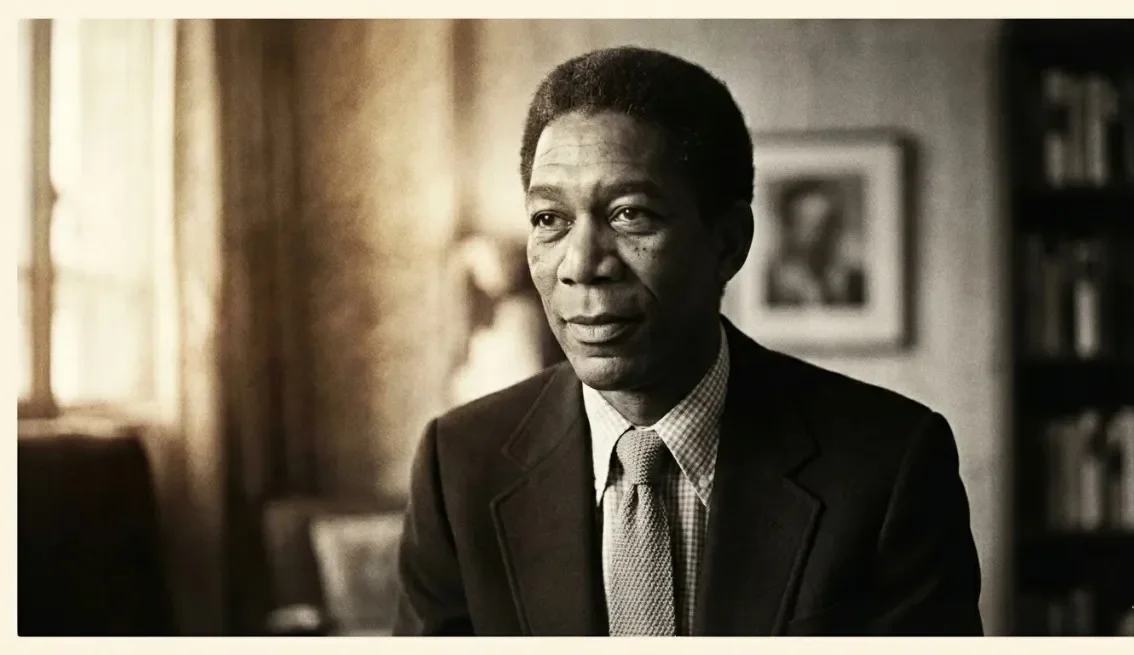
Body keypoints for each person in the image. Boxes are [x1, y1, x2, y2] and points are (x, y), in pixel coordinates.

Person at [394, 46, 983, 637]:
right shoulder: (459, 467)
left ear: (728, 242)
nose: (581, 264)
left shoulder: (889, 464)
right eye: (550, 219)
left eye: (629, 214)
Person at [765, 178, 867, 307]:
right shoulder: (769, 285)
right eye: (806, 224)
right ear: (787, 227)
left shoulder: (856, 280)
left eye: (826, 223)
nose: (819, 234)